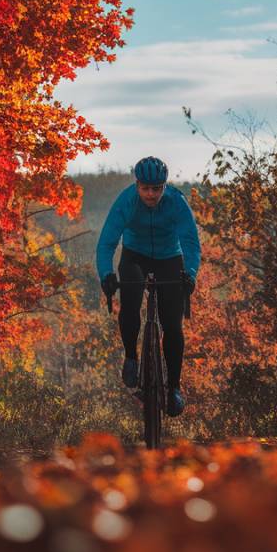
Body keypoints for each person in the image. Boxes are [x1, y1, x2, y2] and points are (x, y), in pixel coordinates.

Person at [96, 156, 201, 417]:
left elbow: (190, 242)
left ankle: (174, 388)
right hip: (135, 255)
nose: (151, 194)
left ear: (165, 186)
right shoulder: (126, 202)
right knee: (130, 297)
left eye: (157, 188)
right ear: (137, 185)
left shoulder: (177, 202)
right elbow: (107, 242)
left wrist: (189, 273)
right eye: (145, 188)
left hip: (169, 257)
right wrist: (106, 274)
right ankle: (132, 356)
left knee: (172, 325)